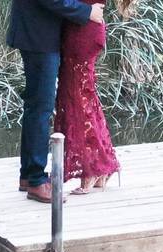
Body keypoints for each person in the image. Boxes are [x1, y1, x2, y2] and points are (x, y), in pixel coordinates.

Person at [8, 0, 105, 204]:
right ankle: (36, 180)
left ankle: (28, 175)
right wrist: (86, 11)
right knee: (41, 108)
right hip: (39, 35)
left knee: (36, 106)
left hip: (37, 32)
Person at [54, 0, 135, 194]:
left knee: (78, 101)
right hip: (83, 30)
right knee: (83, 99)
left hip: (81, 33)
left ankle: (90, 170)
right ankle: (101, 166)